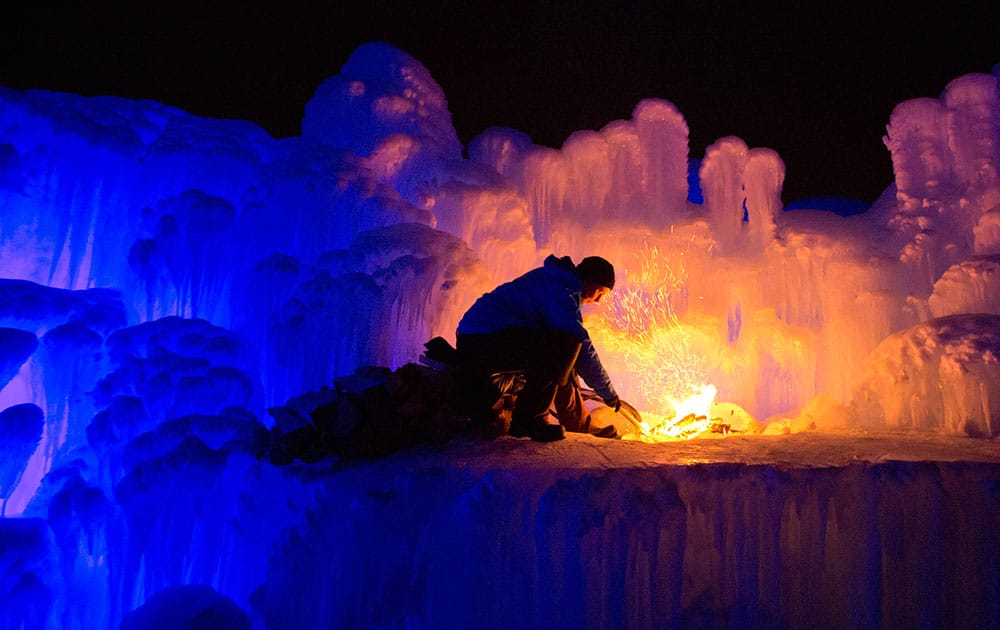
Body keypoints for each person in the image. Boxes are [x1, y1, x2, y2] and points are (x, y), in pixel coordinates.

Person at [455, 254, 620, 441]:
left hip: (484, 337)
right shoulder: (560, 289)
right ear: (590, 281)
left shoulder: (559, 282)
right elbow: (581, 346)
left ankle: (579, 426)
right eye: (601, 292)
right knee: (565, 346)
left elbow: (573, 354)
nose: (598, 300)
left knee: (566, 352)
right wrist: (608, 392)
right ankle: (530, 420)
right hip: (480, 340)